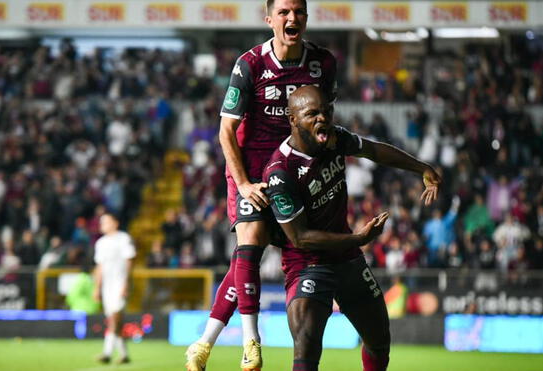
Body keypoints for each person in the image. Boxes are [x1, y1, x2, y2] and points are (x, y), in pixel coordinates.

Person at [185, 0, 337, 370]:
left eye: (298, 11)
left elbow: (323, 124)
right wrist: (243, 183)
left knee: (241, 264)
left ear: (305, 17)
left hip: (293, 172)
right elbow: (226, 132)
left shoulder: (324, 64)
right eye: (283, 12)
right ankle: (251, 343)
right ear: (269, 19)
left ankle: (203, 343)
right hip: (250, 171)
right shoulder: (249, 64)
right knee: (250, 244)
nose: (291, 18)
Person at [262, 86, 441, 370]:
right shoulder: (280, 172)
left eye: (327, 111)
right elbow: (300, 238)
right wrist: (358, 238)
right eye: (312, 114)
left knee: (379, 340)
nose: (323, 118)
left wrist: (421, 168)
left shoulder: (335, 139)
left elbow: (373, 150)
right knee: (306, 347)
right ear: (292, 119)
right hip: (308, 264)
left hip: (347, 259)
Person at [93, 213, 136, 364]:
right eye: (101, 222)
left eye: (106, 221)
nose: (102, 224)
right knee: (114, 321)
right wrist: (97, 288)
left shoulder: (123, 239)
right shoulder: (100, 243)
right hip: (107, 286)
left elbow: (129, 262)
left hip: (119, 284)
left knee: (115, 318)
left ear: (115, 223)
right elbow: (99, 267)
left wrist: (126, 283)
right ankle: (124, 355)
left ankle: (107, 352)